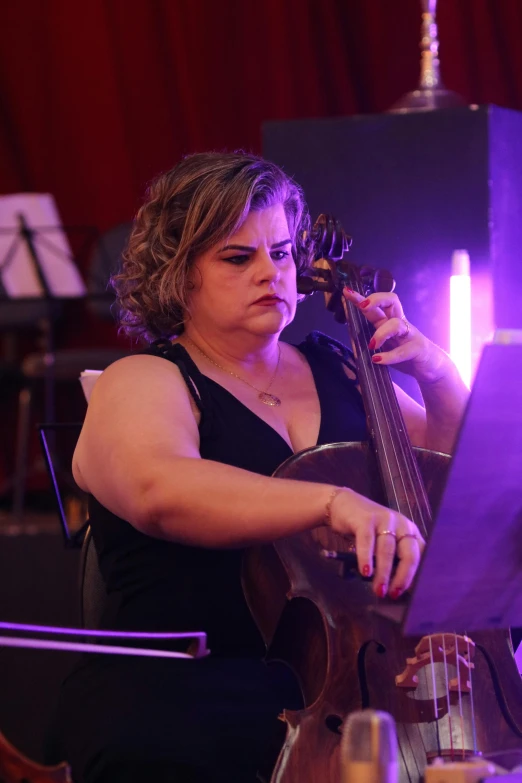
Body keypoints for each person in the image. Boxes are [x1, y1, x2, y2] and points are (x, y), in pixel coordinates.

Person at [46, 151, 469, 782]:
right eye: (237, 258)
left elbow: (454, 482)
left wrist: (437, 374)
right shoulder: (143, 380)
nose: (270, 273)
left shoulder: (341, 367)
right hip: (189, 690)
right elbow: (160, 488)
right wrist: (331, 501)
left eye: (281, 253)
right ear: (178, 276)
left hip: (347, 681)